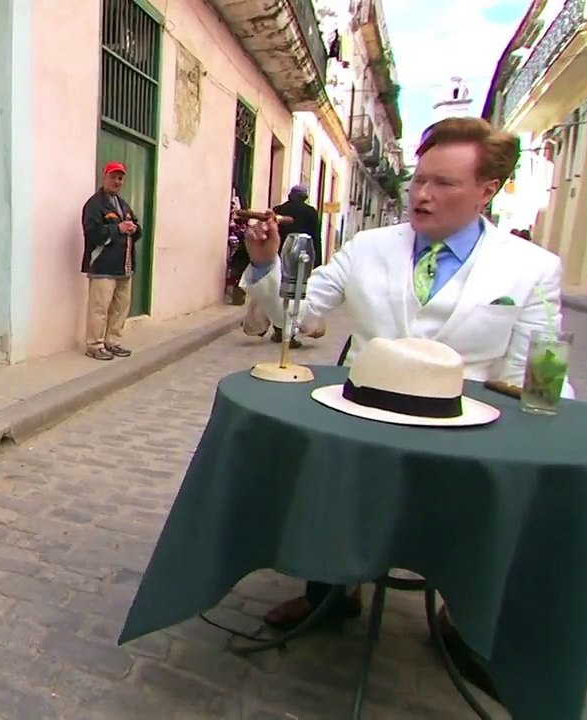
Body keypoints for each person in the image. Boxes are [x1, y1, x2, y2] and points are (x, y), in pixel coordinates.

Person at [238, 116, 569, 697]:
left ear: (487, 189)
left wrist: (555, 415)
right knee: (333, 490)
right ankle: (331, 594)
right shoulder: (367, 248)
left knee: (487, 514)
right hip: (363, 413)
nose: (421, 194)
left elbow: (534, 371)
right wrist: (268, 268)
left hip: (465, 431)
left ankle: (465, 619)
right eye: (420, 178)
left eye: (444, 183)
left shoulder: (530, 268)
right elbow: (295, 318)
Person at [81, 161, 142, 361]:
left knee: (120, 308)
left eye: (120, 178)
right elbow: (92, 234)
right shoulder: (94, 204)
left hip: (124, 267)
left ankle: (112, 341)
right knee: (99, 308)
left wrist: (134, 229)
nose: (117, 181)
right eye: (113, 176)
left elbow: (136, 231)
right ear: (104, 176)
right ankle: (95, 344)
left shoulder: (123, 205)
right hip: (103, 267)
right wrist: (118, 229)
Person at [268, 184, 322, 346]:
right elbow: (315, 237)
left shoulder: (278, 209)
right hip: (300, 259)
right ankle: (290, 333)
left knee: (279, 292)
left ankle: (279, 330)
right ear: (304, 198)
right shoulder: (310, 212)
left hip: (280, 255)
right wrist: (317, 259)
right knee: (297, 294)